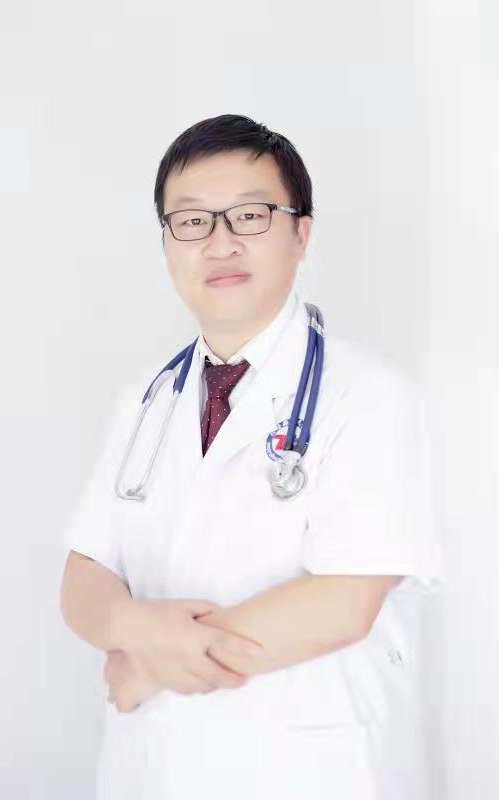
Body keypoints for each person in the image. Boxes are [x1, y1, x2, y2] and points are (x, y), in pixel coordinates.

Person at [60, 114, 444, 800]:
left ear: (301, 233)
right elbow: (84, 574)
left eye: (250, 215)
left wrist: (147, 664)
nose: (220, 242)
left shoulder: (368, 395)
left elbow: (344, 603)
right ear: (167, 243)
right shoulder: (147, 400)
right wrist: (131, 628)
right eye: (192, 221)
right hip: (151, 769)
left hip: (306, 772)